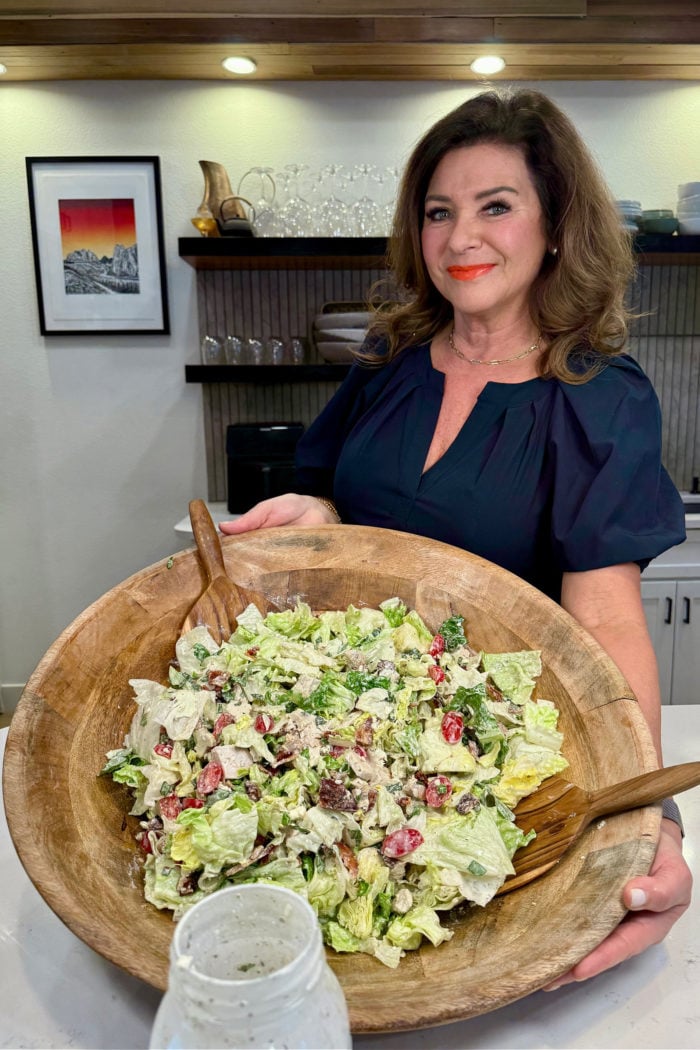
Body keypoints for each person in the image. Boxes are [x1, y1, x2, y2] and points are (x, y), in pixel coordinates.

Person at [220, 88, 692, 988]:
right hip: (343, 724)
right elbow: (337, 504)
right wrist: (315, 517)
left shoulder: (599, 396)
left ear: (555, 227)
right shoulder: (391, 359)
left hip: (480, 758)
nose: (459, 238)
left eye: (495, 206)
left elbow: (609, 622)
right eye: (439, 212)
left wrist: (650, 820)